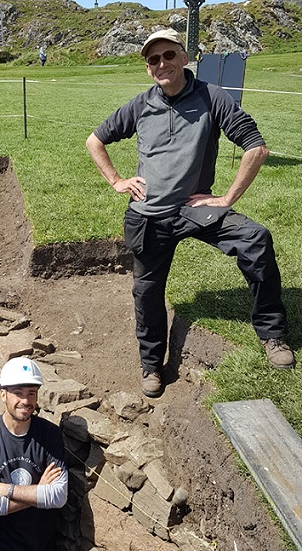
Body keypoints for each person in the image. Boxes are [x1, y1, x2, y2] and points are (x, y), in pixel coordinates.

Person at [86, 28, 294, 399]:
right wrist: (117, 180)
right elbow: (95, 140)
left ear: (184, 57)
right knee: (146, 290)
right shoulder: (139, 105)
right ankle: (151, 364)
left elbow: (256, 148)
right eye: (153, 59)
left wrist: (227, 198)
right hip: (149, 215)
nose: (161, 64)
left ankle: (272, 333)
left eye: (168, 55)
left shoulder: (212, 98)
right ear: (148, 68)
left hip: (195, 209)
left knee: (255, 240)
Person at [0, 356, 68, 550]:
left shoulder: (50, 434)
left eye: (31, 393)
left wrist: (5, 489)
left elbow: (58, 496)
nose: (25, 401)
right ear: (3, 394)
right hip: (0, 544)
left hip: (42, 543)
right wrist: (39, 492)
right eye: (18, 393)